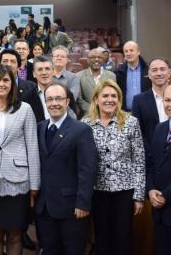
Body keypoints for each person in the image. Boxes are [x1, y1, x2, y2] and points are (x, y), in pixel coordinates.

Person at [0, 64, 40, 255]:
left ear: (12, 84)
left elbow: (32, 145)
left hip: (18, 180)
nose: (1, 84)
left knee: (15, 235)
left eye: (6, 80)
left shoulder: (25, 109)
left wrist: (35, 183)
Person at [82, 79, 146, 255]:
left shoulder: (131, 122)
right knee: (101, 238)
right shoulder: (85, 124)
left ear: (119, 99)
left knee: (122, 238)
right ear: (96, 99)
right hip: (97, 191)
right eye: (105, 96)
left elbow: (139, 160)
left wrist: (139, 196)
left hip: (124, 192)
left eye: (114, 96)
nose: (109, 99)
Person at [35, 83, 97, 255]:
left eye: (59, 98)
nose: (54, 103)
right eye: (50, 99)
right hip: (45, 207)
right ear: (45, 102)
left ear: (67, 101)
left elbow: (88, 169)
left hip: (72, 209)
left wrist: (83, 203)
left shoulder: (81, 130)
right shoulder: (39, 128)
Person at [146, 84, 171, 255]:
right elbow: (152, 163)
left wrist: (165, 195)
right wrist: (150, 189)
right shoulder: (160, 129)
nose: (170, 104)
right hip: (160, 212)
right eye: (168, 100)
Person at [132, 58, 171, 150]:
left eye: (162, 69)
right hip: (151, 158)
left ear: (169, 73)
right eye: (154, 70)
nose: (159, 73)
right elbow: (138, 132)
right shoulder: (139, 100)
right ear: (149, 75)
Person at [76, 48, 116, 115]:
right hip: (87, 114)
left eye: (99, 57)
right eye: (93, 57)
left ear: (103, 60)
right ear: (88, 60)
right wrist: (93, 110)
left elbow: (113, 96)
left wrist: (104, 110)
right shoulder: (78, 76)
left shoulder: (111, 76)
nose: (96, 59)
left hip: (107, 114)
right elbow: (79, 100)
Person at [115, 40, 151, 111]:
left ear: (138, 52)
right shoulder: (118, 72)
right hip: (125, 113)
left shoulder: (149, 70)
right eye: (126, 51)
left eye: (131, 50)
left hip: (146, 111)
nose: (128, 53)